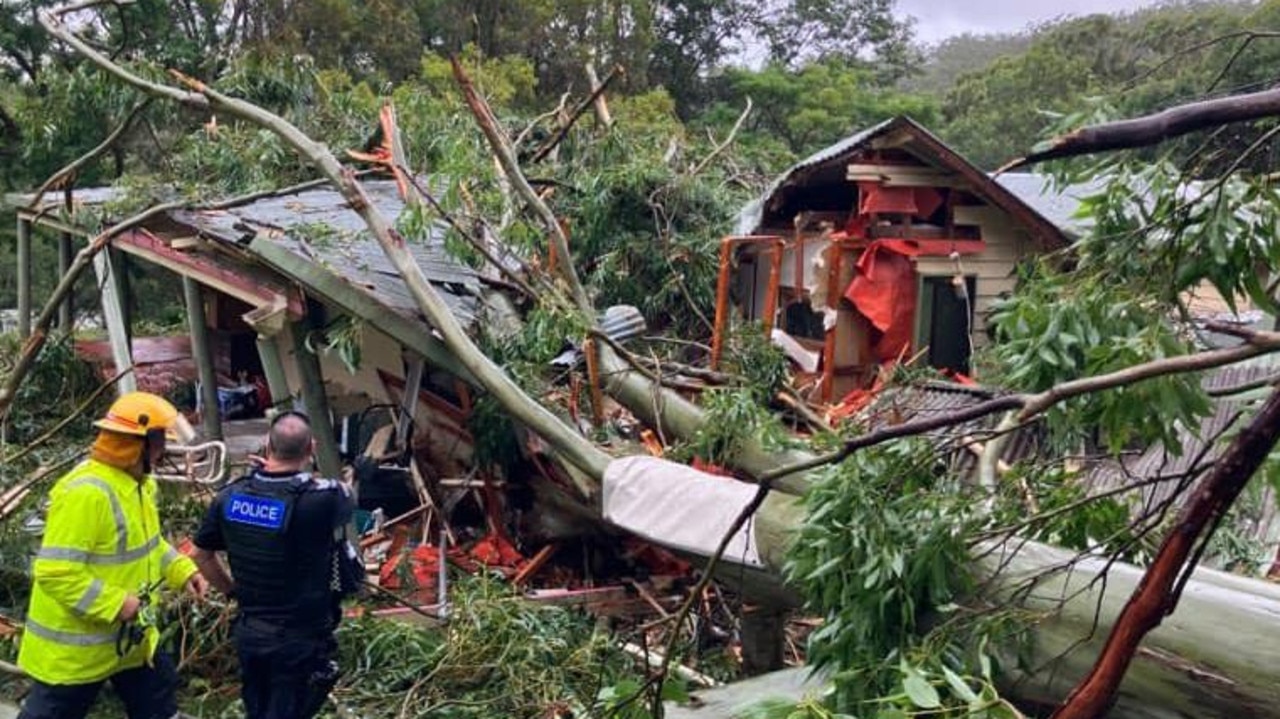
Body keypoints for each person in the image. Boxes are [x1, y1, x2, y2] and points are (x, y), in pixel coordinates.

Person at [17, 391, 209, 719]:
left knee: (158, 700)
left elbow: (149, 545)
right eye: (160, 440)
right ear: (138, 445)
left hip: (131, 641)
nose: (164, 451)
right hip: (77, 649)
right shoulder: (86, 494)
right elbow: (55, 571)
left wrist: (182, 569)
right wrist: (116, 603)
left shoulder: (140, 485)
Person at [191, 410, 356, 719]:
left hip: (251, 632)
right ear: (311, 449)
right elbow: (345, 491)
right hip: (299, 638)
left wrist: (232, 592)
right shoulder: (324, 500)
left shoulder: (229, 497)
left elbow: (201, 555)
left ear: (267, 445)